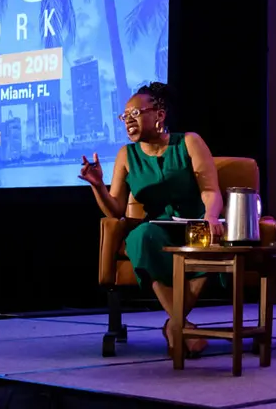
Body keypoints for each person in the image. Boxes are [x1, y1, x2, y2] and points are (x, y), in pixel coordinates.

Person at [79, 82, 225, 358]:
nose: (128, 121)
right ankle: (181, 326)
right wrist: (98, 185)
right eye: (125, 116)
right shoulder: (126, 154)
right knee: (142, 236)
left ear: (159, 114)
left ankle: (174, 325)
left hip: (195, 225)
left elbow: (209, 190)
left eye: (135, 113)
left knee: (209, 244)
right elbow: (116, 210)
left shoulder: (189, 142)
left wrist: (210, 217)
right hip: (157, 228)